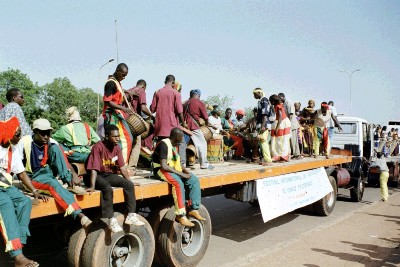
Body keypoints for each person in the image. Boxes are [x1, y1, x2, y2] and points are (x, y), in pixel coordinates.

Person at [17, 118, 92, 227]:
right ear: (35, 132)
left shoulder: (51, 142)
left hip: (47, 173)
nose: (46, 137)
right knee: (53, 185)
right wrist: (33, 190)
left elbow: (64, 161)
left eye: (48, 133)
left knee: (57, 148)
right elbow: (18, 169)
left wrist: (73, 175)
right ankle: (79, 215)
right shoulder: (24, 142)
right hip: (32, 177)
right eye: (43, 134)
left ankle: (70, 183)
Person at [0, 117, 49, 267]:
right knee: (7, 206)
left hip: (6, 187)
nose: (20, 137)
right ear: (8, 133)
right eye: (17, 134)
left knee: (25, 202)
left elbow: (21, 173)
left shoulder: (12, 148)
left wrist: (34, 191)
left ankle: (18, 243)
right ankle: (18, 257)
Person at [84, 124, 145, 233]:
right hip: (94, 175)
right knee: (107, 188)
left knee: (129, 185)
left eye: (118, 136)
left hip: (108, 174)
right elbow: (93, 169)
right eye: (115, 136)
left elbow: (122, 167)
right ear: (107, 136)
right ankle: (111, 219)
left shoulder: (117, 147)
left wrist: (129, 181)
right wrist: (92, 186)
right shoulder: (98, 147)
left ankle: (131, 215)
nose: (118, 139)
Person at [152, 128, 205, 227]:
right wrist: (181, 174)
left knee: (193, 180)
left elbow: (177, 163)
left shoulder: (174, 146)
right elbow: (163, 166)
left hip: (171, 169)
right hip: (160, 170)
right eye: (182, 137)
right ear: (177, 137)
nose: (183, 139)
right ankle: (181, 215)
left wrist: (185, 171)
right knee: (178, 183)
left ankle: (194, 209)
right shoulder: (164, 145)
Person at [150, 75, 188, 166]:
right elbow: (179, 111)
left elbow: (152, 109)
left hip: (159, 126)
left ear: (165, 81)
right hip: (172, 127)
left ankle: (157, 164)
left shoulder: (157, 92)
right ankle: (181, 164)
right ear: (173, 82)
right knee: (181, 142)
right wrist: (183, 123)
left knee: (161, 145)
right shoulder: (176, 93)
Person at [102, 63, 134, 164]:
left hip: (116, 113)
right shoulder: (110, 83)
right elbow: (107, 101)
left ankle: (115, 163)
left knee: (121, 140)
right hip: (112, 115)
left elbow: (118, 90)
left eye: (126, 75)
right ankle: (120, 164)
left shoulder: (116, 82)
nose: (124, 77)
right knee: (125, 139)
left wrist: (128, 92)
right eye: (123, 74)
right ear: (117, 70)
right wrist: (123, 108)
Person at [125, 79, 154, 171]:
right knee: (137, 143)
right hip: (134, 121)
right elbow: (143, 107)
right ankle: (131, 167)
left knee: (128, 143)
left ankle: (124, 164)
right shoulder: (141, 91)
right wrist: (151, 116)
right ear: (144, 86)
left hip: (125, 119)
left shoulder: (129, 90)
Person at [183, 89, 213, 169]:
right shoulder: (199, 102)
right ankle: (204, 164)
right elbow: (206, 117)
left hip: (185, 127)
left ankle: (183, 164)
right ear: (199, 96)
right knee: (202, 144)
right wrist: (206, 125)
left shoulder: (186, 103)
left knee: (183, 145)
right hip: (193, 127)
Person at [253, 88, 274, 165]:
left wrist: (263, 126)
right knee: (261, 142)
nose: (254, 96)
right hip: (261, 124)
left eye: (255, 94)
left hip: (264, 124)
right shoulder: (261, 100)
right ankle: (265, 158)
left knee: (263, 141)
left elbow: (265, 114)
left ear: (259, 93)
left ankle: (268, 160)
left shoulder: (264, 100)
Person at [269, 94, 291, 162]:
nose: (270, 102)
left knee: (280, 140)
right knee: (282, 140)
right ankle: (282, 156)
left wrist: (276, 128)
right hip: (284, 122)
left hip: (282, 123)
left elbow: (280, 117)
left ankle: (281, 156)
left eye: (270, 101)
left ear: (273, 101)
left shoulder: (278, 106)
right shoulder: (279, 104)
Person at [278, 93, 301, 159]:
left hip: (292, 123)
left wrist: (289, 123)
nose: (279, 100)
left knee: (294, 139)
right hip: (289, 123)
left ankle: (297, 154)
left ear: (282, 97)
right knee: (291, 140)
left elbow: (291, 114)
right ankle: (295, 154)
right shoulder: (284, 103)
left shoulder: (288, 102)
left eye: (279, 98)